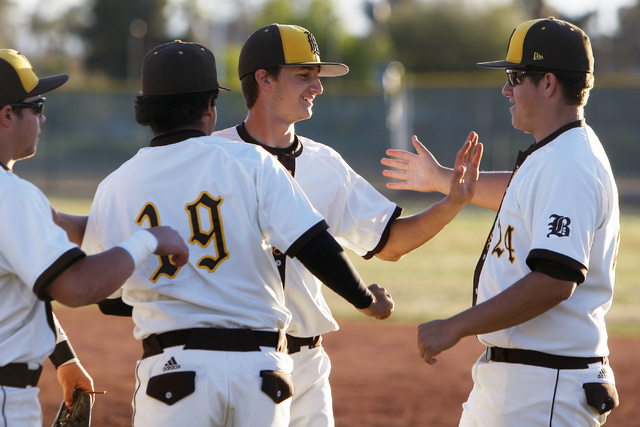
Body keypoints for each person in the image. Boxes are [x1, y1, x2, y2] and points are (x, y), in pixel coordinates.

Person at [80, 40, 394, 427]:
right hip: (262, 374)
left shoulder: (115, 185)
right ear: (210, 107)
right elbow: (314, 244)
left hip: (174, 373)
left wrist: (181, 292)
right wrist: (367, 301)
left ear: (144, 111)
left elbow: (107, 298)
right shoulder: (252, 162)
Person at [213, 23, 481, 427]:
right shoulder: (213, 155)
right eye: (304, 75)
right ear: (264, 79)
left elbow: (390, 242)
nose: (317, 87)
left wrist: (452, 203)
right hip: (231, 361)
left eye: (317, 77)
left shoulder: (325, 164)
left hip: (306, 366)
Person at [383, 17, 620, 426]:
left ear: (548, 84)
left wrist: (454, 326)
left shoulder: (569, 162)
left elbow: (554, 280)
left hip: (545, 386)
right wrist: (444, 180)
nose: (506, 88)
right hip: (525, 379)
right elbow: (523, 193)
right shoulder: (556, 153)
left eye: (516, 75)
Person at [0, 48, 188, 426]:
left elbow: (53, 236)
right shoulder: (12, 196)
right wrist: (147, 240)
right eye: (36, 105)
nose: (43, 117)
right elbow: (77, 286)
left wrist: (64, 359)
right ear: (7, 115)